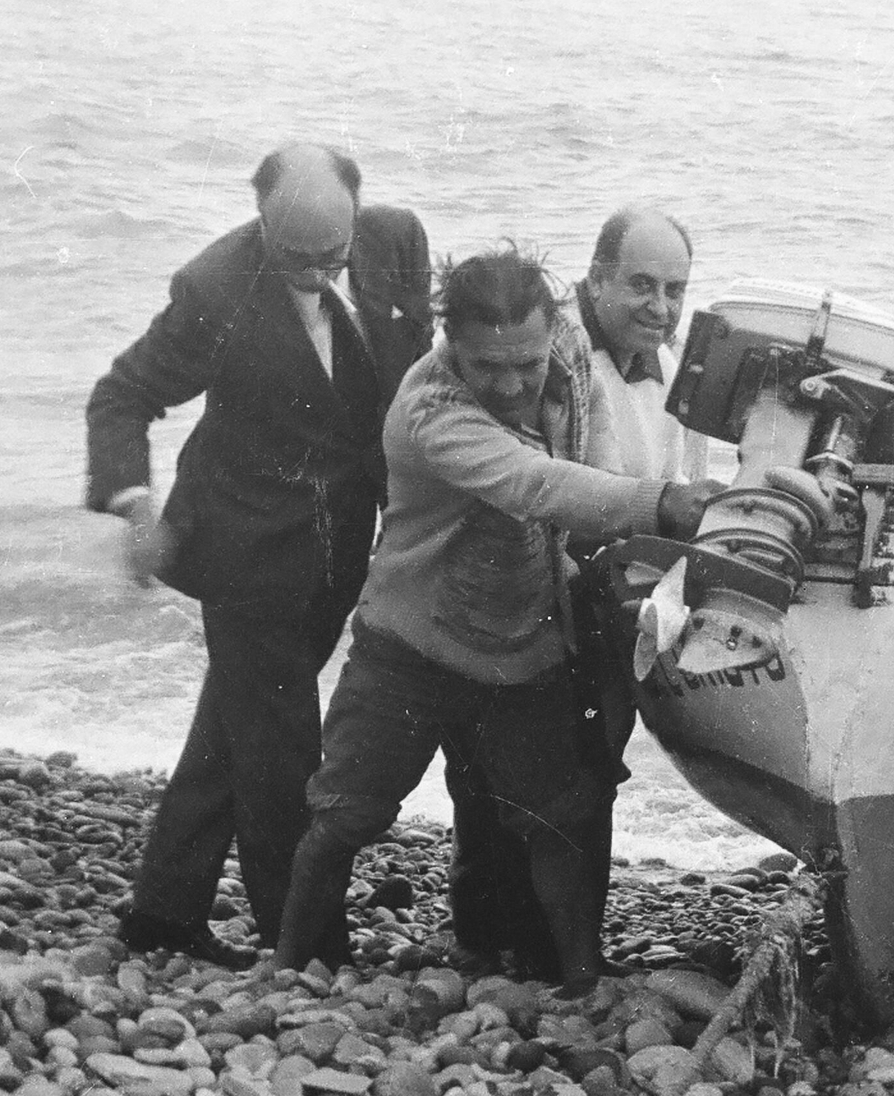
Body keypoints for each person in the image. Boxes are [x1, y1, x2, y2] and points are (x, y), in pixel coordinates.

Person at [274, 244, 717, 985]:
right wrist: (663, 502)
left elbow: (600, 394)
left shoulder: (568, 343)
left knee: (560, 816)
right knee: (347, 812)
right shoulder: (430, 411)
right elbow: (533, 483)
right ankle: (291, 967)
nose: (512, 385)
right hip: (411, 642)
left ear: (552, 333)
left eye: (528, 364)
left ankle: (581, 975)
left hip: (522, 640)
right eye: (490, 368)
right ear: (453, 344)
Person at [85, 145, 432, 966]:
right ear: (259, 219)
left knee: (237, 724)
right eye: (293, 257)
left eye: (332, 256)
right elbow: (122, 396)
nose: (316, 274)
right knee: (281, 747)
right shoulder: (213, 290)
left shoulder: (395, 243)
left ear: (358, 213)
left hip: (343, 546)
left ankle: (164, 912)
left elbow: (410, 379)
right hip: (244, 548)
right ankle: (304, 939)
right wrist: (138, 507)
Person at [445, 206, 717, 977]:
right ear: (594, 278)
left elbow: (684, 484)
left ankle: (559, 945)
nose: (659, 307)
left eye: (674, 289)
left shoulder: (673, 371)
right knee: (497, 772)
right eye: (639, 284)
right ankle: (490, 936)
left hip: (616, 596)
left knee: (590, 771)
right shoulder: (551, 357)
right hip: (525, 591)